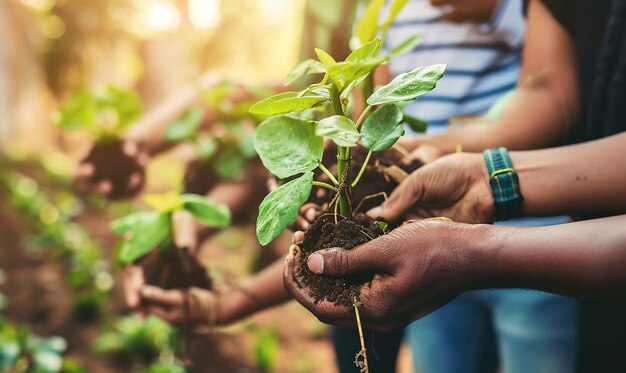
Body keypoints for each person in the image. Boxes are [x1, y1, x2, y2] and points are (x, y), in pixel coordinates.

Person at [286, 0, 626, 371]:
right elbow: (375, 99)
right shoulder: (380, 11)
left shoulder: (523, 11)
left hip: (540, 232)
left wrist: (457, 160)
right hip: (429, 224)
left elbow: (548, 91)